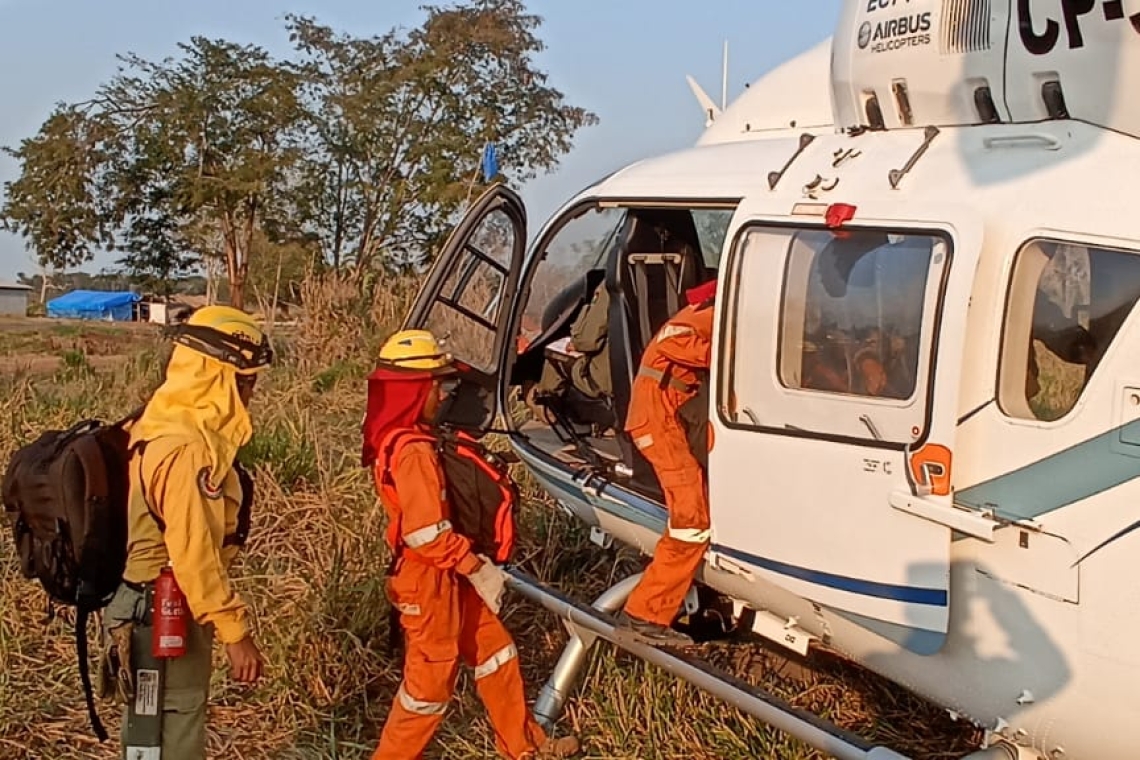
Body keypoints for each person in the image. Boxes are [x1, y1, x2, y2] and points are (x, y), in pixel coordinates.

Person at [363, 329, 580, 760]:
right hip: (429, 582)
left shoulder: (407, 439)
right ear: (415, 390)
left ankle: (523, 746)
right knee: (427, 690)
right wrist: (476, 567)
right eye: (437, 387)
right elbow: (427, 534)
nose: (443, 397)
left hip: (447, 574)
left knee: (497, 654)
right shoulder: (412, 452)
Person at [103, 305, 272, 760]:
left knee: (144, 722)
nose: (250, 393)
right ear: (215, 376)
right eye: (245, 381)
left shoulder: (155, 421)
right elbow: (194, 553)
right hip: (164, 607)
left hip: (138, 601)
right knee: (175, 719)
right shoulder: (188, 451)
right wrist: (236, 633)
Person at [615, 279, 718, 646]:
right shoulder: (695, 319)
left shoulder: (702, 317)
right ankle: (645, 615)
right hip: (655, 421)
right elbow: (691, 347)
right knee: (692, 520)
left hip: (668, 417)